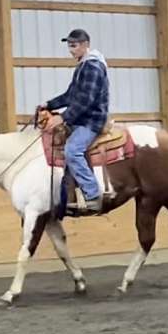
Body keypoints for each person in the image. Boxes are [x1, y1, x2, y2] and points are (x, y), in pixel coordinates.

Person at [40, 29, 110, 212]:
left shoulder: (93, 67)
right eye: (69, 46)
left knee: (73, 150)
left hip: (92, 119)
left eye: (74, 45)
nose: (71, 50)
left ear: (85, 45)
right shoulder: (82, 66)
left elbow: (86, 100)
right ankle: (67, 193)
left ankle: (93, 195)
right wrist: (48, 104)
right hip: (81, 118)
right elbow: (71, 96)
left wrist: (62, 117)